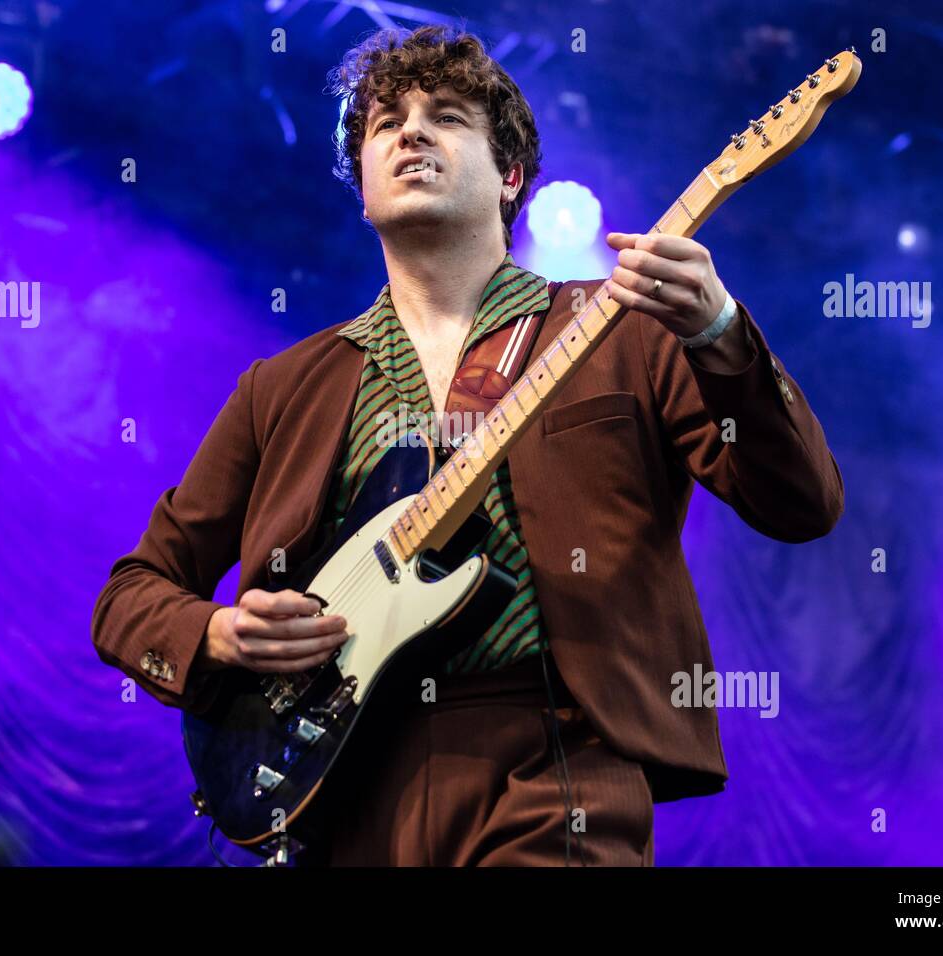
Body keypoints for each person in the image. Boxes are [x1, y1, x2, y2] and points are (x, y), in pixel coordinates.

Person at [91, 24, 843, 866]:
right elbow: (133, 591)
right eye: (385, 123)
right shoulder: (284, 385)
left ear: (511, 175)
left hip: (550, 770)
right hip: (334, 785)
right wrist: (220, 633)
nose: (410, 131)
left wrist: (719, 332)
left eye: (445, 116)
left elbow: (802, 501)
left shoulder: (623, 328)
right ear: (364, 187)